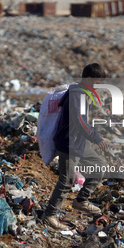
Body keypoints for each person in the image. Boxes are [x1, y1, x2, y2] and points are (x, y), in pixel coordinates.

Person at [43, 63, 109, 230]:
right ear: (88, 79)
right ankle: (49, 215)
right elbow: (79, 121)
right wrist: (96, 138)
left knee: (99, 166)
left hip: (79, 141)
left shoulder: (82, 93)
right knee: (66, 181)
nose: (98, 85)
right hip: (69, 143)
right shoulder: (77, 95)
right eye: (96, 81)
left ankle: (81, 201)